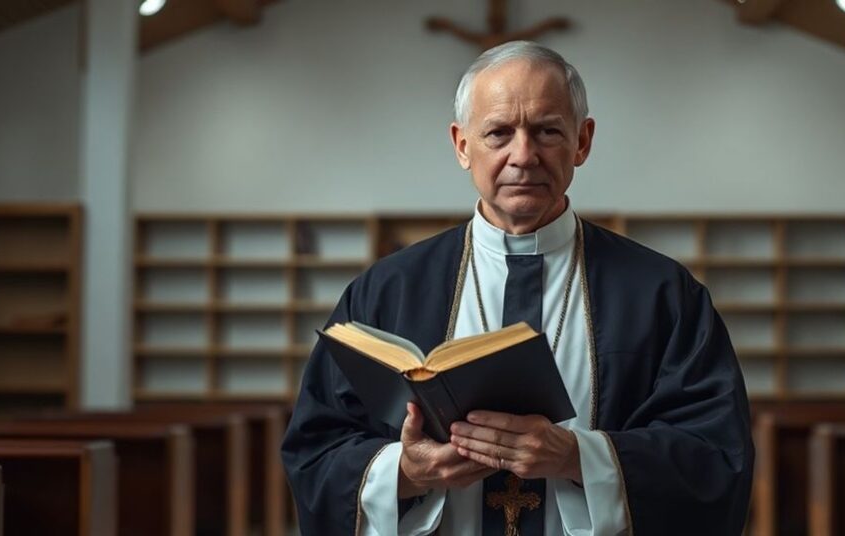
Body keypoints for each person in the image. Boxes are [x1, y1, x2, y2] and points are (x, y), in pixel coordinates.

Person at [282, 40, 754, 536]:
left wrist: (578, 457)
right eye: (498, 133)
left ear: (583, 141)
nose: (523, 156)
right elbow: (316, 450)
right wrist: (404, 471)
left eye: (548, 131)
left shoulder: (662, 295)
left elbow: (716, 456)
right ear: (462, 144)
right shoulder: (387, 289)